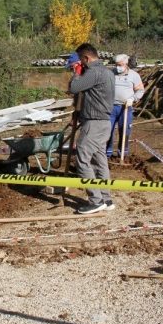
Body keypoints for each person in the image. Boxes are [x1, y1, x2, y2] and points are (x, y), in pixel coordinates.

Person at [69, 43, 116, 214]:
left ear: (86, 58)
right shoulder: (108, 72)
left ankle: (96, 201)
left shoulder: (93, 72)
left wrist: (76, 72)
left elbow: (73, 87)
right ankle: (106, 198)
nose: (81, 63)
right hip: (104, 122)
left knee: (82, 159)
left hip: (94, 123)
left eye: (81, 60)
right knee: (99, 160)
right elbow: (93, 95)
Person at [106, 54, 145, 158]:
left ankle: (122, 153)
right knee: (108, 130)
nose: (118, 67)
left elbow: (140, 90)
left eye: (120, 64)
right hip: (111, 107)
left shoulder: (134, 75)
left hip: (125, 108)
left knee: (124, 130)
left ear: (126, 63)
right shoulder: (110, 74)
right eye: (116, 64)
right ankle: (107, 153)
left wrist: (133, 99)